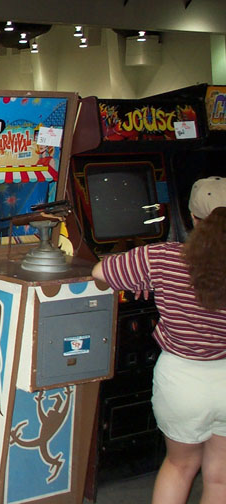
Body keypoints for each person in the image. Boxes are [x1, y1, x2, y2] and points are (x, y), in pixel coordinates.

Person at [91, 176, 226, 504]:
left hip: (182, 381)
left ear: (191, 217)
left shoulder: (163, 257)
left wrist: (144, 280)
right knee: (220, 477)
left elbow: (99, 273)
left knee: (179, 467)